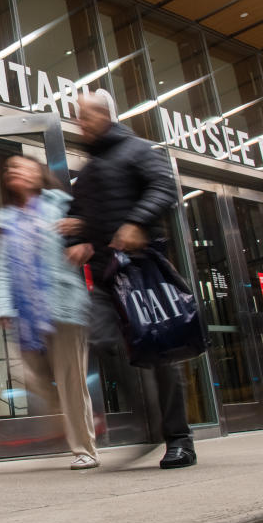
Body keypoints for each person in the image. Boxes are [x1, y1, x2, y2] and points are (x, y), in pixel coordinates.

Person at [62, 92, 196, 469]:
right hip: (105, 275)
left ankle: (179, 439)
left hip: (141, 270)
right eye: (78, 117)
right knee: (103, 340)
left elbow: (164, 188)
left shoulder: (137, 150)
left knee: (162, 351)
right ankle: (149, 420)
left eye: (87, 115)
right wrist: (76, 239)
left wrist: (137, 222)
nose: (81, 123)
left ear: (106, 115)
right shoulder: (88, 171)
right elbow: (78, 214)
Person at [0, 155, 96, 469]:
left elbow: (88, 230)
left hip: (63, 306)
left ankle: (84, 448)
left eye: (24, 166)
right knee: (26, 374)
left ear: (39, 175)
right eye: (10, 167)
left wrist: (84, 241)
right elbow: (1, 268)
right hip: (26, 316)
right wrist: (2, 306)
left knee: (71, 381)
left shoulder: (60, 205)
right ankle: (69, 415)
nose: (15, 170)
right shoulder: (6, 219)